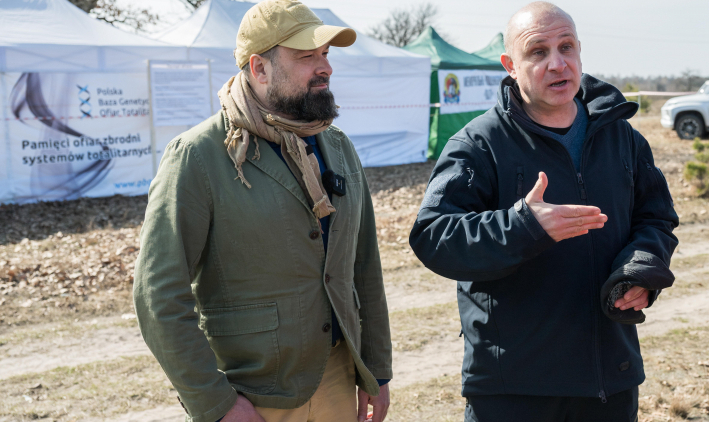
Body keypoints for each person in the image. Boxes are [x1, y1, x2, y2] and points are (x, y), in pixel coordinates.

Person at [409, 2, 679, 421]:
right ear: (510, 66)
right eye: (538, 52)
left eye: (566, 47)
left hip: (609, 377)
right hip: (515, 386)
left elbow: (655, 219)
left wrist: (640, 271)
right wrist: (522, 226)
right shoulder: (478, 144)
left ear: (579, 51)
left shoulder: (622, 137)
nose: (557, 63)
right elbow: (434, 236)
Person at [133, 1, 392, 421]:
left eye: (326, 54)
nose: (325, 68)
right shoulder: (197, 156)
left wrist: (376, 371)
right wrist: (214, 403)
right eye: (306, 56)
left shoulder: (337, 146)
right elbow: (157, 296)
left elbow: (364, 266)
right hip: (253, 393)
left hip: (340, 378)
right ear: (259, 69)